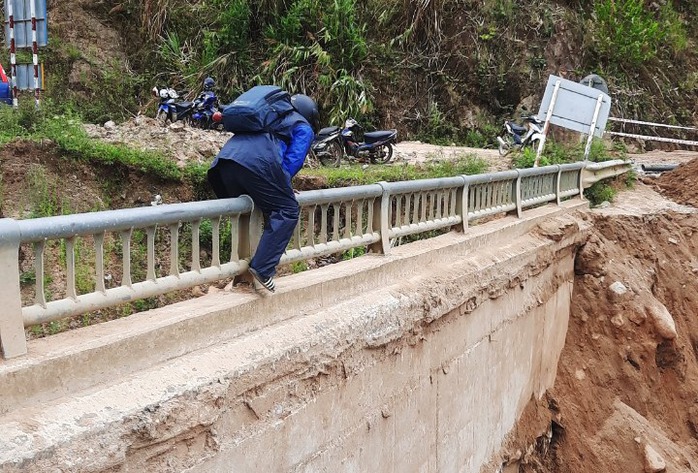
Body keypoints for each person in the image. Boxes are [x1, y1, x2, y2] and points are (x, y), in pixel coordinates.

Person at [207, 92, 319, 293]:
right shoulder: (302, 125)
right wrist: (283, 186)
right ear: (309, 113)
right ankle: (263, 268)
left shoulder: (270, 117)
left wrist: (279, 187)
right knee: (287, 210)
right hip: (257, 166)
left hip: (224, 165)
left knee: (251, 209)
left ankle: (239, 272)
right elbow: (293, 160)